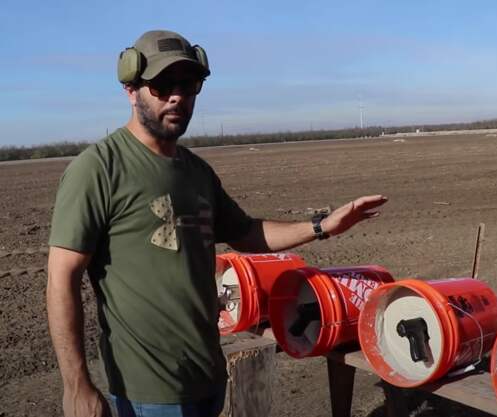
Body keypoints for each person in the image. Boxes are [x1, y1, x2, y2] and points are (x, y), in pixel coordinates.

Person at [46, 29, 387, 417]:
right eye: (161, 85)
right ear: (131, 88)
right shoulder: (98, 169)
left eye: (188, 84)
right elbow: (61, 278)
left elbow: (246, 232)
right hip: (148, 389)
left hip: (207, 376)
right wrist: (76, 385)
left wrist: (323, 226)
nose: (177, 96)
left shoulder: (197, 171)